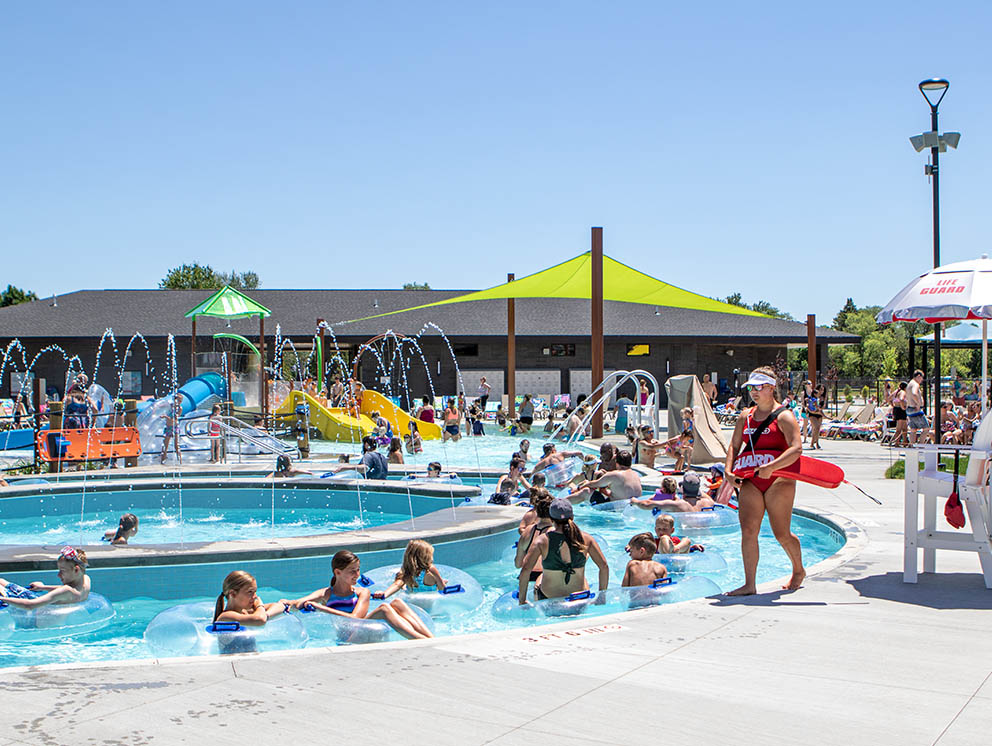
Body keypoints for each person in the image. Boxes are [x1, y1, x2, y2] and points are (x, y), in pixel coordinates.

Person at [725, 366, 804, 595]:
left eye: (758, 388)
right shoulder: (745, 417)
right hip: (751, 480)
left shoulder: (785, 416)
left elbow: (796, 449)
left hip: (779, 480)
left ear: (771, 388)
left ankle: (798, 569)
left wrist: (772, 467)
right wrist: (729, 471)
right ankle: (750, 583)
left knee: (781, 533)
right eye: (751, 388)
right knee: (749, 531)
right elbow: (734, 445)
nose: (754, 392)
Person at [287, 550, 432, 639]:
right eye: (352, 571)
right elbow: (297, 603)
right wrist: (289, 603)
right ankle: (419, 639)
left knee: (397, 603)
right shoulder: (326, 593)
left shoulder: (362, 592)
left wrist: (321, 608)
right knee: (384, 608)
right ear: (338, 572)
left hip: (362, 628)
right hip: (348, 639)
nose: (357, 575)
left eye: (358, 570)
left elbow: (356, 618)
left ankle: (429, 637)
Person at [517, 498, 609, 603]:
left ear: (551, 519)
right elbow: (604, 566)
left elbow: (525, 570)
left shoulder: (541, 541)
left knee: (541, 577)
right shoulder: (586, 538)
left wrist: (522, 601)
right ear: (572, 517)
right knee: (583, 579)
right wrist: (602, 597)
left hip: (549, 599)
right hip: (579, 598)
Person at [0, 546, 90, 607]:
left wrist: (2, 599)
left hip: (29, 605)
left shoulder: (66, 591)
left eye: (62, 571)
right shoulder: (86, 580)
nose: (58, 575)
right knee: (2, 581)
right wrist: (43, 587)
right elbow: (72, 588)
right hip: (33, 600)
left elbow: (30, 605)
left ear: (76, 570)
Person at [371, 539, 447, 600]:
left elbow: (397, 585)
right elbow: (442, 589)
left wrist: (384, 594)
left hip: (411, 602)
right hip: (428, 604)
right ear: (426, 557)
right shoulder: (431, 569)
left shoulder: (407, 569)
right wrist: (439, 583)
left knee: (401, 581)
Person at [213, 570, 289, 626]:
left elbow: (279, 606)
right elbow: (260, 620)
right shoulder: (225, 617)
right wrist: (260, 607)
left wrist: (265, 615)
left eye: (255, 592)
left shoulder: (246, 612)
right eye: (250, 592)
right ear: (233, 594)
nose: (255, 596)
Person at [568, 449, 642, 506]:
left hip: (616, 506)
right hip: (632, 505)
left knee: (586, 491)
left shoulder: (614, 474)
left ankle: (561, 503)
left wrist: (578, 488)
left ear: (616, 463)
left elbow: (593, 484)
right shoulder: (635, 474)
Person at [514, 489, 553, 584]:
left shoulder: (527, 531)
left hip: (528, 578)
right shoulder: (556, 532)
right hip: (548, 578)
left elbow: (518, 564)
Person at [650, 472, 715, 512]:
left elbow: (646, 504)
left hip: (686, 534)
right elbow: (707, 497)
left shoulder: (678, 504)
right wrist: (694, 488)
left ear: (683, 489)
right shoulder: (708, 502)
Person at [906, 370, 930, 444]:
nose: (922, 380)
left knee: (913, 429)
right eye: (922, 378)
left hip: (909, 409)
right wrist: (918, 404)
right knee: (926, 428)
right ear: (919, 376)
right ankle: (921, 444)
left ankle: (912, 445)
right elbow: (914, 393)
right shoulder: (915, 384)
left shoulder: (909, 384)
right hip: (915, 409)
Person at [160, 392, 183, 465]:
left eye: (179, 400)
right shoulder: (170, 406)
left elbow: (174, 419)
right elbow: (162, 406)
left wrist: (165, 417)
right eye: (176, 399)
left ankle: (180, 461)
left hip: (175, 427)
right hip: (168, 427)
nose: (177, 401)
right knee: (165, 444)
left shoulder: (179, 408)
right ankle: (163, 460)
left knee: (176, 445)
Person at [805, 384, 825, 450]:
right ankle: (812, 443)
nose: (821, 391)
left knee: (817, 429)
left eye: (822, 390)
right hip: (812, 413)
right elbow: (807, 406)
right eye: (821, 390)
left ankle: (816, 443)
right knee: (815, 427)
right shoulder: (812, 398)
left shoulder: (821, 398)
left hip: (819, 413)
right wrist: (811, 411)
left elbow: (822, 406)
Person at [891, 381, 909, 447]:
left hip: (897, 409)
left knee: (904, 428)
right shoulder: (902, 392)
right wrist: (903, 407)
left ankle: (904, 442)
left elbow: (889, 398)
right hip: (901, 410)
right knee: (900, 428)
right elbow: (901, 399)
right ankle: (896, 442)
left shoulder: (897, 392)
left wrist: (894, 405)